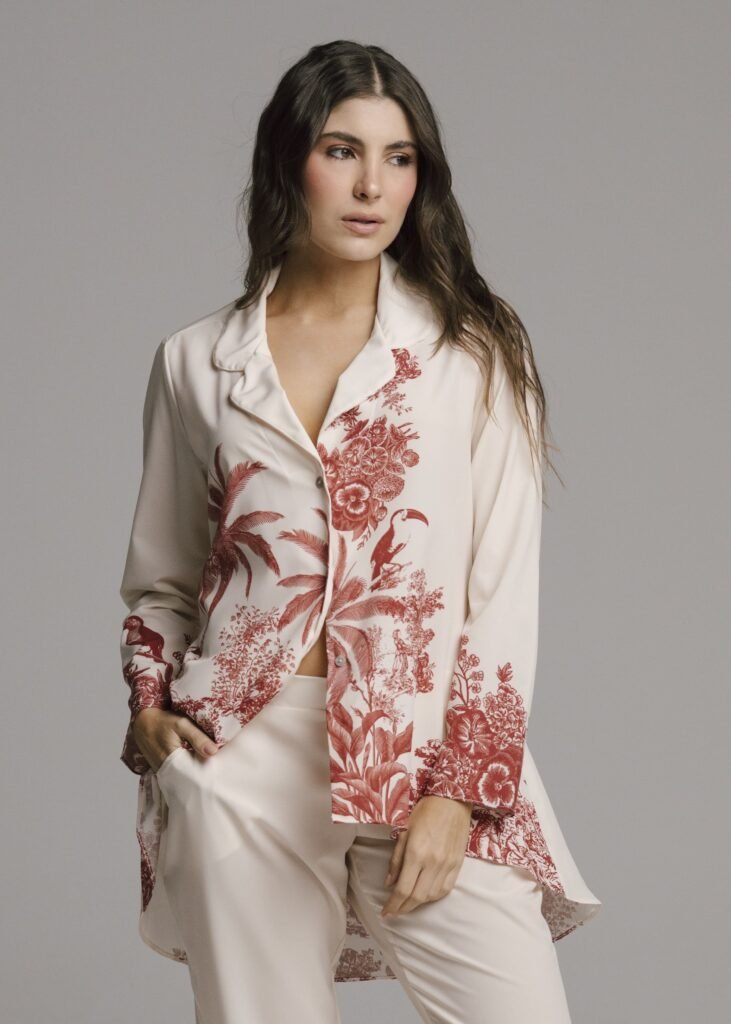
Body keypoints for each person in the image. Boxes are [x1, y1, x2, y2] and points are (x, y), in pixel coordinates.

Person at [118, 39, 601, 1024]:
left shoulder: (470, 353)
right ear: (286, 161)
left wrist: (458, 791)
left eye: (399, 157)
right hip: (236, 751)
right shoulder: (196, 361)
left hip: (417, 747)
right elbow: (163, 577)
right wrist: (150, 706)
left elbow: (499, 592)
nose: (372, 186)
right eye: (341, 151)